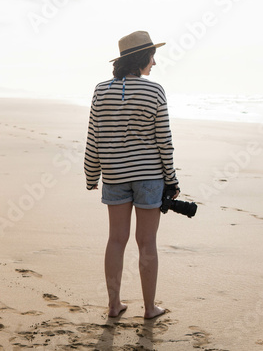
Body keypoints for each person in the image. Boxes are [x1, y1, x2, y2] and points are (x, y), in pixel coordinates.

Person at [84, 30, 180, 319]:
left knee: (116, 240)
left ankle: (114, 305)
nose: (155, 63)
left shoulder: (101, 90)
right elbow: (164, 140)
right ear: (143, 58)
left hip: (114, 175)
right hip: (150, 177)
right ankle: (150, 309)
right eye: (153, 57)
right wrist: (172, 179)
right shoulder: (155, 91)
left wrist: (91, 175)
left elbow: (94, 137)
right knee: (147, 242)